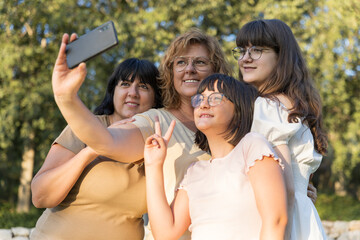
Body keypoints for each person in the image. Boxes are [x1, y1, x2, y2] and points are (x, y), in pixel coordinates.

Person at [50, 28, 232, 239]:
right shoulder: (156, 121)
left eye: (200, 62)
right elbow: (107, 141)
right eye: (181, 62)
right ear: (171, 72)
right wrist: (67, 99)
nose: (189, 69)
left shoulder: (233, 124)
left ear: (216, 69)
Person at [30, 57, 162, 240]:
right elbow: (40, 197)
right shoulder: (83, 129)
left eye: (144, 86)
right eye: (125, 84)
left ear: (156, 98)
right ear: (113, 91)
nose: (133, 92)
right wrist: (92, 150)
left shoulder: (160, 145)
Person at [144, 73, 288, 240]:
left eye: (215, 98)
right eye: (199, 99)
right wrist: (153, 165)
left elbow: (276, 220)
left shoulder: (252, 146)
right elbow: (165, 234)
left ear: (239, 110)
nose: (203, 105)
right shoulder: (194, 171)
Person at [232, 19, 328, 239]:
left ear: (281, 56)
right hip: (302, 218)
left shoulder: (267, 106)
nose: (245, 58)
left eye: (257, 50)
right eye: (242, 50)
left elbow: (286, 189)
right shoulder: (292, 105)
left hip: (280, 224)